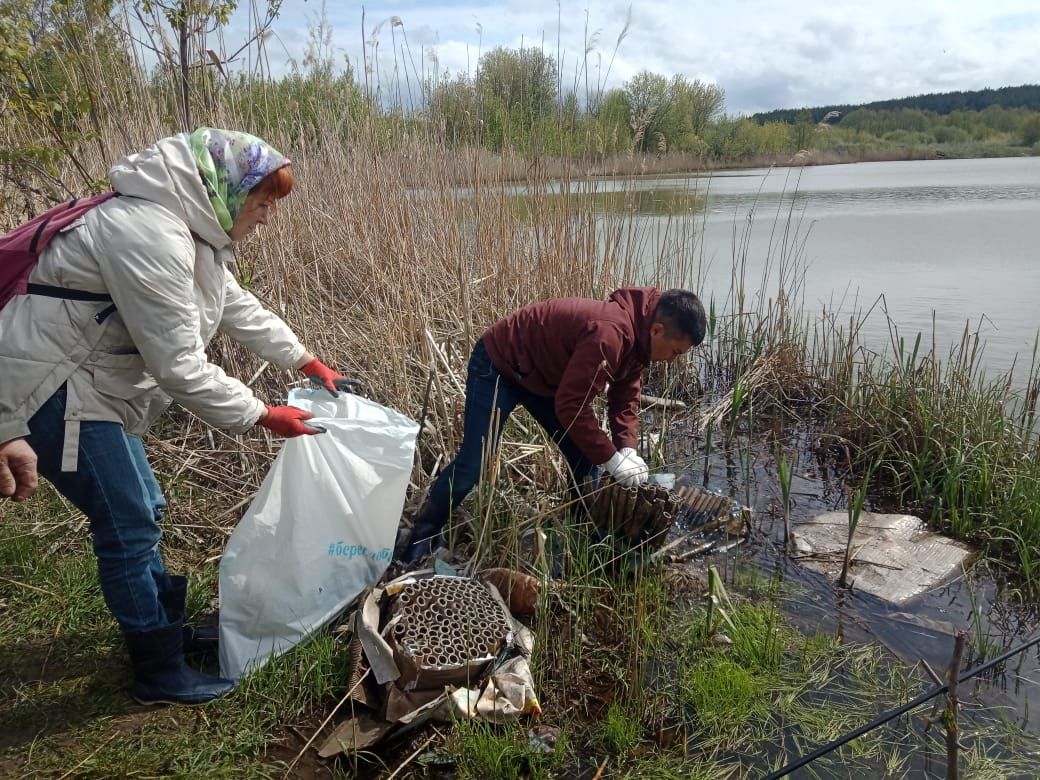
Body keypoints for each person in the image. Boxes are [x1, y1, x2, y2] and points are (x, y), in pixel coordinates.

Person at [0, 128, 355, 705]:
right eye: (262, 203)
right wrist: (265, 416)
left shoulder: (190, 230)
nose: (267, 218)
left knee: (146, 507)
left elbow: (235, 305)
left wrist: (306, 360)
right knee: (129, 521)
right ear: (225, 192)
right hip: (50, 386)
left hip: (92, 382)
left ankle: (165, 631)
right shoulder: (147, 232)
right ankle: (157, 670)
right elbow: (179, 367)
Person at [402, 286, 706, 564]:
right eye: (676, 352)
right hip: (500, 365)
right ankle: (423, 534)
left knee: (584, 457)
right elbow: (572, 406)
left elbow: (625, 397)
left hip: (544, 379)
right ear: (657, 329)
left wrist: (626, 448)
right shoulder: (610, 333)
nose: (671, 361)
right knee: (474, 463)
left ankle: (579, 533)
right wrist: (611, 458)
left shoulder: (639, 340)